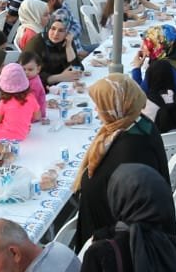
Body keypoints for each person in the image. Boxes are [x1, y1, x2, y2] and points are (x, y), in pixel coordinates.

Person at [71, 74, 170, 250]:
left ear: (117, 106)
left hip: (113, 244)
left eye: (100, 105)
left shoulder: (132, 149)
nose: (96, 110)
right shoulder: (136, 122)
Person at [0, 64, 41, 142]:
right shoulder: (31, 98)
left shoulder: (4, 102)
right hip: (23, 134)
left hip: (5, 135)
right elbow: (37, 116)